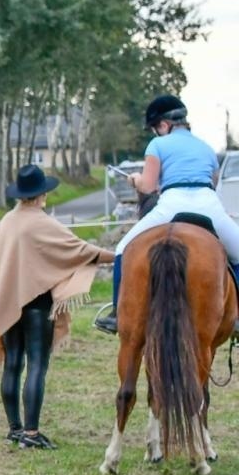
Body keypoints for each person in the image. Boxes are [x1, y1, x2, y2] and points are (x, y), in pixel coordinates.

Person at [0, 165, 114, 448]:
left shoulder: (7, 220)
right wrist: (116, 256)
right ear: (41, 194)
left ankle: (14, 429)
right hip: (37, 307)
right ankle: (31, 434)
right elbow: (79, 251)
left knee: (12, 364)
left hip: (7, 303)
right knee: (37, 366)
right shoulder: (42, 222)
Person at [96, 94, 239, 333]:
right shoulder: (206, 147)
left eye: (155, 128)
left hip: (172, 204)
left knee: (123, 248)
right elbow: (212, 182)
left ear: (164, 125)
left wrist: (136, 180)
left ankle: (118, 313)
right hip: (208, 203)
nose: (156, 133)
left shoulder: (157, 145)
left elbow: (149, 186)